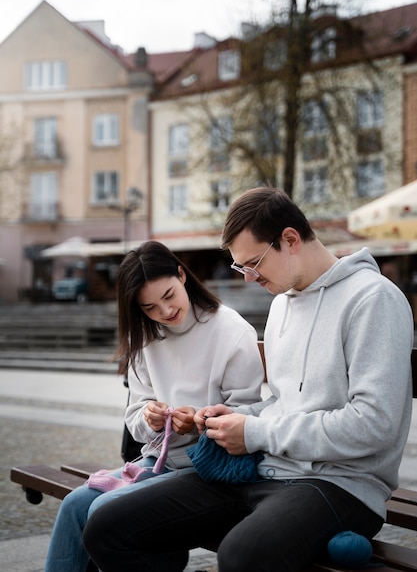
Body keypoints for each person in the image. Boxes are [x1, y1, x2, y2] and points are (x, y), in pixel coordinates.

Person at [83, 187, 414, 572]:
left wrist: (255, 431)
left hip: (342, 485)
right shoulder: (282, 305)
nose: (249, 277)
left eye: (253, 263)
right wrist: (238, 415)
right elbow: (285, 403)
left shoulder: (373, 299)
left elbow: (374, 425)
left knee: (242, 556)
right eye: (241, 267)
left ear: (290, 239)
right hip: (263, 470)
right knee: (106, 527)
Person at [44, 240, 264, 572]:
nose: (164, 312)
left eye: (168, 296)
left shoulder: (231, 332)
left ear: (181, 275)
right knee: (75, 505)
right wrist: (151, 417)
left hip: (207, 470)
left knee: (103, 511)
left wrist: (200, 422)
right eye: (149, 307)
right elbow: (135, 416)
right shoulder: (145, 336)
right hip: (158, 460)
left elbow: (247, 416)